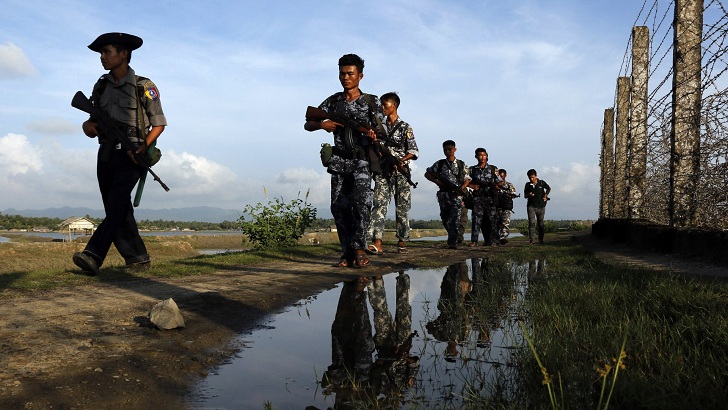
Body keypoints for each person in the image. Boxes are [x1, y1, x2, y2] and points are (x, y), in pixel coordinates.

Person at [72, 32, 167, 276]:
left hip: (132, 153)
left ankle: (93, 254)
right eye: (101, 53)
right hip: (105, 153)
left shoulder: (144, 86)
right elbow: (92, 120)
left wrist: (143, 146)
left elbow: (158, 124)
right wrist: (87, 126)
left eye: (107, 52)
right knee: (118, 206)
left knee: (116, 203)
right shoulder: (101, 85)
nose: (102, 57)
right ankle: (137, 257)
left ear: (123, 54)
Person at [304, 54, 384, 268]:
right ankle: (347, 252)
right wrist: (323, 125)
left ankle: (359, 248)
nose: (345, 77)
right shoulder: (333, 101)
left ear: (360, 76)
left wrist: (373, 135)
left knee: (362, 204)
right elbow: (308, 123)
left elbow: (381, 130)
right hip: (339, 161)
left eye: (350, 73)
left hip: (362, 162)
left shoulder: (371, 102)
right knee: (339, 207)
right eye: (342, 73)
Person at [368, 92, 419, 255]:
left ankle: (402, 240)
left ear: (394, 105)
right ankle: (377, 242)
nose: (383, 108)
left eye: (385, 104)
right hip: (383, 171)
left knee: (402, 207)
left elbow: (414, 150)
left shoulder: (405, 127)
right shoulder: (378, 127)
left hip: (401, 173)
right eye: (381, 105)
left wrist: (401, 161)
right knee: (379, 205)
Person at [424, 140, 471, 249]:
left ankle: (452, 242)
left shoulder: (461, 164)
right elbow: (427, 174)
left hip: (456, 195)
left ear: (455, 150)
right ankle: (454, 238)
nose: (447, 151)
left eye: (450, 149)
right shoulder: (439, 164)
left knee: (455, 218)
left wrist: (460, 189)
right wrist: (437, 182)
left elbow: (467, 179)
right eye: (445, 149)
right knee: (445, 217)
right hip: (444, 195)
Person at [467, 148, 502, 247]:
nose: (482, 157)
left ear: (487, 156)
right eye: (480, 155)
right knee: (476, 220)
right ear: (476, 156)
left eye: (484, 155)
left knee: (492, 221)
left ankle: (493, 241)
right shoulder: (472, 170)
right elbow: (465, 181)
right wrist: (472, 186)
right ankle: (474, 241)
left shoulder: (492, 169)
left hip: (490, 197)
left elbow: (500, 181)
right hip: (478, 198)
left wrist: (496, 186)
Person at [524, 169, 551, 245]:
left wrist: (545, 196)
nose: (531, 179)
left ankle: (541, 240)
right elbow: (525, 196)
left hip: (541, 206)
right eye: (530, 178)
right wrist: (529, 195)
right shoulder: (527, 185)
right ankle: (532, 240)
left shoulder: (541, 183)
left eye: (532, 177)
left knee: (540, 223)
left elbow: (549, 188)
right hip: (531, 206)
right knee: (531, 223)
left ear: (536, 176)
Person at [495, 168, 518, 245]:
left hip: (506, 206)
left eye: (503, 176)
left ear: (505, 176)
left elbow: (513, 193)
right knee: (496, 223)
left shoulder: (509, 185)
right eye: (500, 176)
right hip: (497, 206)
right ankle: (496, 238)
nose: (501, 178)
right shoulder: (495, 185)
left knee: (505, 222)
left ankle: (503, 237)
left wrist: (507, 194)